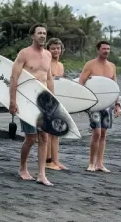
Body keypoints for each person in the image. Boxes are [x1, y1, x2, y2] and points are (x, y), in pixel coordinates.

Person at [9, 23, 54, 187]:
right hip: (27, 100)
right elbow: (14, 78)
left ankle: (42, 174)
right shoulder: (24, 54)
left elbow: (49, 79)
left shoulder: (48, 55)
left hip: (42, 102)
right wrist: (13, 101)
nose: (42, 35)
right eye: (39, 33)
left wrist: (53, 101)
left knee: (44, 137)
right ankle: (23, 168)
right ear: (33, 36)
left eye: (44, 33)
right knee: (30, 138)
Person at [79, 40, 121, 172]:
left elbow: (114, 87)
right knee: (96, 132)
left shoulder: (112, 66)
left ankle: (100, 163)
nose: (106, 51)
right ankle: (91, 163)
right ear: (98, 50)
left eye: (108, 49)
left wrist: (117, 104)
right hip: (94, 104)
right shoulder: (90, 64)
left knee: (103, 133)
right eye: (104, 49)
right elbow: (81, 83)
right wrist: (83, 103)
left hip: (107, 104)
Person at [45, 38, 68, 171]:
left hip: (57, 101)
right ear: (48, 49)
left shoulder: (61, 66)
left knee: (56, 132)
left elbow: (62, 84)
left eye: (58, 48)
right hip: (47, 100)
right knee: (48, 131)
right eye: (53, 48)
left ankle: (56, 160)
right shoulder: (46, 63)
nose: (56, 50)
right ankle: (48, 161)